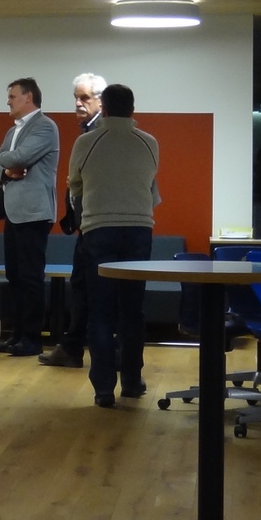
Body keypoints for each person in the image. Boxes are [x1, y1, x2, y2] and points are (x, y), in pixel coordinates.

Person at [67, 83, 160, 407]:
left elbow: (75, 185)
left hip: (99, 229)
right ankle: (132, 381)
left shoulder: (86, 142)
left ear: (103, 109)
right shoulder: (149, 142)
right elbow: (150, 184)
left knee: (101, 311)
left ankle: (104, 388)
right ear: (133, 109)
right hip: (139, 230)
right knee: (132, 310)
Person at [0, 78, 61, 357]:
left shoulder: (45, 126)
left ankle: (32, 339)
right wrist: (6, 170)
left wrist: (7, 160)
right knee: (15, 276)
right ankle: (17, 335)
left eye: (12, 96)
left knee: (31, 277)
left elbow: (17, 157)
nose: (7, 101)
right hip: (13, 211)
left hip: (34, 213)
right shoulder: (13, 130)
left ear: (28, 97)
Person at [42, 72, 106, 370]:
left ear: (100, 101)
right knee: (82, 287)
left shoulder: (98, 133)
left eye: (85, 98)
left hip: (97, 224)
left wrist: (76, 183)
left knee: (86, 288)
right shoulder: (89, 131)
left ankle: (77, 349)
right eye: (76, 98)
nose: (78, 103)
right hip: (89, 223)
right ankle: (74, 347)